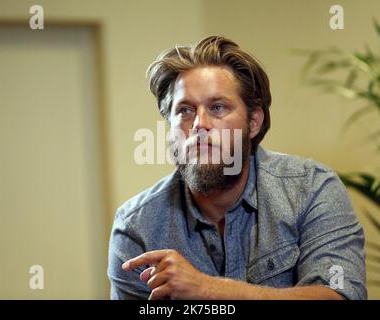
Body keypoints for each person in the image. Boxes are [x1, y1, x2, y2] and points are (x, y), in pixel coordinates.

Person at [108, 35, 366, 300]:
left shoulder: (311, 189)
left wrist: (205, 289)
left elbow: (341, 296)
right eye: (185, 110)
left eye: (217, 107)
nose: (198, 124)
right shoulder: (137, 227)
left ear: (253, 122)